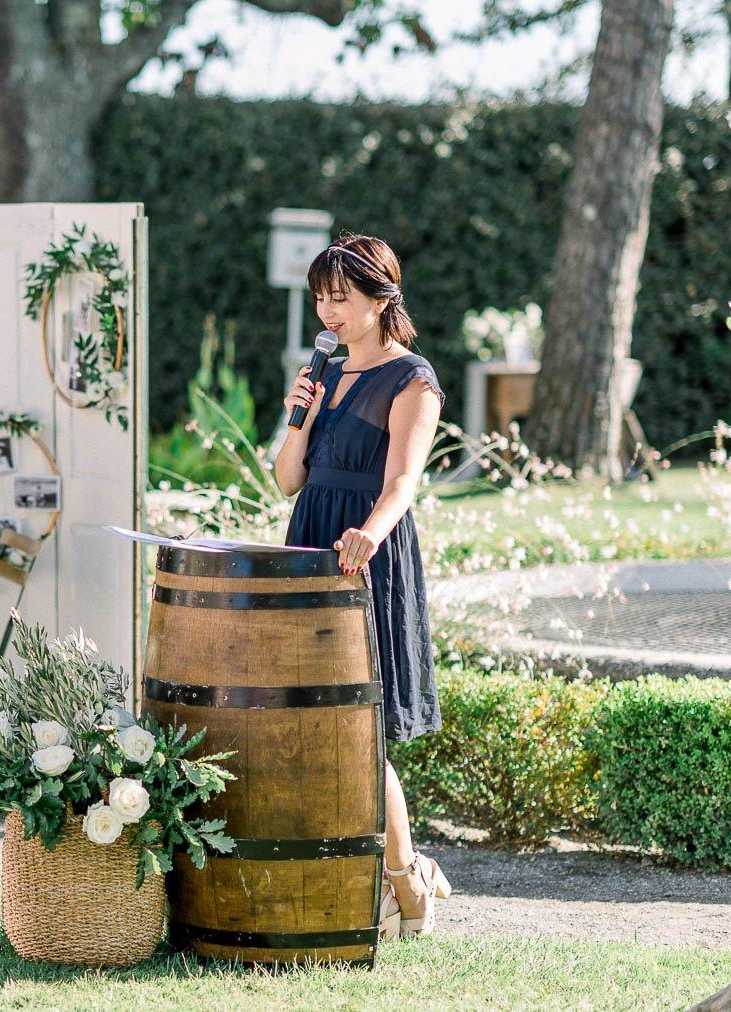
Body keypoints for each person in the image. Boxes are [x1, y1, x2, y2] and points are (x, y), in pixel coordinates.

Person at [274, 233, 453, 938]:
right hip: (310, 541)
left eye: (341, 297)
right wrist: (302, 417)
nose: (328, 310)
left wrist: (370, 536)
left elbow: (404, 480)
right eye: (321, 297)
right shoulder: (322, 372)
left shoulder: (412, 378)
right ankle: (401, 878)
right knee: (319, 722)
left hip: (363, 551)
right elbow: (289, 479)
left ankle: (407, 880)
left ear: (383, 300)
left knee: (359, 728)